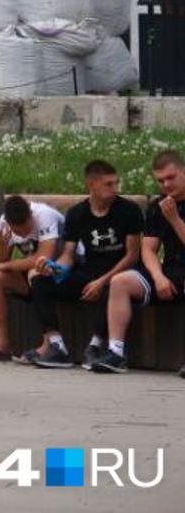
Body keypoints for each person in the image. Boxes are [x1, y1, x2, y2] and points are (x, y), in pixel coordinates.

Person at [23, 159, 143, 368]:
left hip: (120, 271)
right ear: (91, 185)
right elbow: (69, 254)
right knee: (40, 281)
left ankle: (95, 345)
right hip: (90, 272)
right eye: (109, 184)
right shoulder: (77, 213)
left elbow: (132, 256)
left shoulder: (129, 210)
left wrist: (103, 280)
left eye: (116, 183)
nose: (115, 189)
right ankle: (57, 346)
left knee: (113, 284)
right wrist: (54, 268)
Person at [93, 149, 185, 374]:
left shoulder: (169, 209)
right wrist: (158, 277)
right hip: (171, 271)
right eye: (160, 180)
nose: (166, 185)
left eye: (171, 178)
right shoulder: (159, 205)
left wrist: (174, 219)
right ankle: (115, 353)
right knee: (120, 281)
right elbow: (149, 249)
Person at [0, 194, 63, 361]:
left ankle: (48, 345)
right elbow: (0, 262)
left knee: (36, 272)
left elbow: (44, 257)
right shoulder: (4, 223)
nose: (23, 234)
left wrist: (6, 265)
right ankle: (3, 344)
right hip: (33, 274)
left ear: (30, 215)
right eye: (18, 231)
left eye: (26, 227)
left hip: (63, 269)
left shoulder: (44, 215)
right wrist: (1, 245)